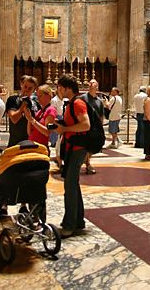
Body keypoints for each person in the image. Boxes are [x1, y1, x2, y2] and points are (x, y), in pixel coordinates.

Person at [54, 75, 92, 238]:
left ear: (67, 88)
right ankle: (78, 220)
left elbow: (85, 125)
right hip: (72, 147)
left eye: (60, 88)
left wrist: (65, 130)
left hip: (77, 148)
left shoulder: (77, 103)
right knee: (73, 185)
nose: (59, 91)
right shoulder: (71, 103)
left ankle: (69, 226)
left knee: (69, 186)